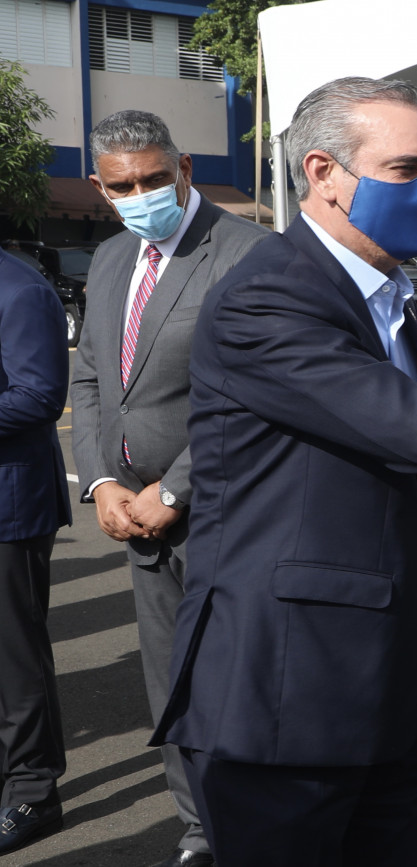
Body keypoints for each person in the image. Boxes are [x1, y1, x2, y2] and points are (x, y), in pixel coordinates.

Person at [148, 76, 417, 866]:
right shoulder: (269, 295)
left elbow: (382, 486)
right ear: (324, 173)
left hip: (383, 692)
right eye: (405, 169)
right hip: (284, 701)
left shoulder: (382, 299)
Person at [69, 109, 269, 867]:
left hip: (223, 514)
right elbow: (92, 379)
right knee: (170, 686)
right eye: (122, 186)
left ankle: (252, 830)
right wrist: (102, 481)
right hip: (135, 519)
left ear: (184, 169)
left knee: (237, 684)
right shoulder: (112, 256)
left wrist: (176, 488)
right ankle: (199, 832)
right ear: (99, 186)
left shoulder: (248, 252)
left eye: (154, 179)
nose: (140, 196)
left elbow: (255, 391)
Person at [0, 248, 71, 855]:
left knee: (14, 659)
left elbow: (39, 395)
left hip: (9, 507)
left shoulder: (20, 290)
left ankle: (33, 791)